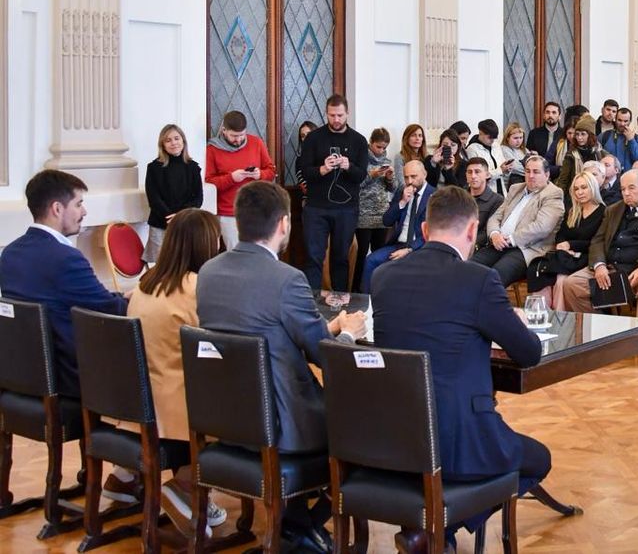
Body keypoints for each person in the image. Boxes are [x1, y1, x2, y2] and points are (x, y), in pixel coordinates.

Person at [369, 186, 550, 547]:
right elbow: (528, 353)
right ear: (472, 231)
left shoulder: (383, 277)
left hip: (395, 437)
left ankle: (432, 529)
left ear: (423, 230)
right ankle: (445, 524)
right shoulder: (479, 280)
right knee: (538, 459)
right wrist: (513, 321)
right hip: (459, 439)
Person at [196, 180, 365, 550]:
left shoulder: (208, 273)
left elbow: (264, 328)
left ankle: (296, 524)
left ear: (239, 222)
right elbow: (324, 355)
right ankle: (300, 526)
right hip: (284, 423)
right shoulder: (288, 280)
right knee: (367, 429)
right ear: (285, 224)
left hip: (226, 418)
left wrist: (326, 327)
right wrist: (348, 332)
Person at [125, 208, 228, 532]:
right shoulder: (197, 288)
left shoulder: (144, 285)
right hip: (181, 408)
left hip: (140, 403)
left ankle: (175, 487)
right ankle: (184, 486)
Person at [0, 170, 129, 398]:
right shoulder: (65, 258)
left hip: (22, 376)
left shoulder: (10, 253)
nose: (84, 211)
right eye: (79, 204)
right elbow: (111, 310)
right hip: (69, 380)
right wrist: (132, 297)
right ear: (57, 209)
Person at [562, 170, 638, 318]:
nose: (626, 193)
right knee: (571, 284)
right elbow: (598, 240)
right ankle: (599, 328)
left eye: (631, 188)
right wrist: (599, 265)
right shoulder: (613, 210)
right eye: (623, 189)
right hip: (611, 267)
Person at [298, 94, 370, 292]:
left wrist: (349, 166)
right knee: (314, 257)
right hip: (316, 208)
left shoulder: (359, 141)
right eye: (332, 115)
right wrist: (322, 169)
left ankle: (340, 303)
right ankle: (310, 303)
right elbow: (304, 170)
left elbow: (361, 175)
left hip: (346, 209)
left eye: (340, 115)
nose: (336, 120)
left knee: (340, 258)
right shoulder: (314, 138)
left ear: (347, 113)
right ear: (326, 114)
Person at [471, 156, 565, 286]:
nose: (531, 175)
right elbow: (496, 217)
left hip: (527, 248)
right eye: (527, 171)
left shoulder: (553, 193)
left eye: (536, 172)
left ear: (547, 174)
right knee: (470, 266)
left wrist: (510, 239)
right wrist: (494, 234)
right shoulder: (516, 188)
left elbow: (542, 228)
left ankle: (485, 305)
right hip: (499, 243)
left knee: (496, 274)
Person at [525, 173, 606, 310]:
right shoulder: (573, 211)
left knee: (562, 279)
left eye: (584, 188)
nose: (579, 192)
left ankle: (560, 320)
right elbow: (561, 234)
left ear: (593, 188)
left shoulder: (604, 212)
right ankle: (539, 316)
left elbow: (598, 242)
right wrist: (562, 245)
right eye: (576, 189)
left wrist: (571, 245)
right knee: (541, 273)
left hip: (586, 257)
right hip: (565, 256)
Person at [206, 110, 276, 248]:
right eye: (234, 136)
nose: (238, 140)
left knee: (259, 253)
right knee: (238, 255)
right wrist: (231, 178)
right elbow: (209, 182)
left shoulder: (256, 143)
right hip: (228, 213)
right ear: (224, 130)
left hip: (256, 210)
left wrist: (260, 175)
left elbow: (271, 171)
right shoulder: (212, 149)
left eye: (242, 135)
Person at [359, 160, 431, 294]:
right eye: (406, 177)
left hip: (420, 248)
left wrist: (410, 249)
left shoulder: (434, 196)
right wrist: (402, 202)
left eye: (414, 176)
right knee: (370, 261)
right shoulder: (402, 192)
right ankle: (366, 305)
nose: (409, 181)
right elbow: (386, 221)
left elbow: (432, 233)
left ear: (424, 174)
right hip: (398, 245)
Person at [144, 124, 203, 263]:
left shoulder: (193, 167)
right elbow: (154, 198)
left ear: (183, 141)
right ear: (162, 145)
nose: (173, 143)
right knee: (159, 265)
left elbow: (198, 198)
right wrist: (171, 217)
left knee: (184, 263)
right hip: (160, 223)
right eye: (168, 140)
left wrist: (180, 216)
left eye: (176, 138)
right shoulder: (153, 168)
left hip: (185, 224)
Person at [352, 128, 396, 293]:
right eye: (378, 147)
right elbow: (355, 185)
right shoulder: (361, 161)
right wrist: (372, 175)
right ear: (370, 143)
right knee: (360, 256)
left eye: (384, 147)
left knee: (379, 256)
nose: (381, 151)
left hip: (382, 216)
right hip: (364, 215)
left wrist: (390, 178)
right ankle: (356, 290)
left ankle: (377, 289)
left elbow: (393, 189)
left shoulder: (387, 161)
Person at [464, 158, 503, 249]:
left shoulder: (497, 200)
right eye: (470, 172)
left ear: (487, 175)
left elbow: (489, 230)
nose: (473, 176)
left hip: (477, 247)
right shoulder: (459, 196)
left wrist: (469, 243)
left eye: (477, 172)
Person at [466, 119, 511, 196]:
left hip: (500, 188)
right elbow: (479, 175)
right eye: (490, 137)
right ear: (481, 133)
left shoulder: (496, 146)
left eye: (494, 138)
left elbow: (501, 164)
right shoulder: (472, 149)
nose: (492, 140)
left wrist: (507, 169)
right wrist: (500, 170)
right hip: (484, 191)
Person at [527, 101, 564, 178]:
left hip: (559, 175)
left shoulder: (564, 134)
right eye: (547, 112)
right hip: (538, 174)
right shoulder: (534, 133)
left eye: (554, 113)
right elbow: (528, 156)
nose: (550, 115)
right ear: (544, 115)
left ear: (559, 116)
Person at [500, 122, 529, 187]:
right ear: (507, 137)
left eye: (521, 137)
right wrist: (531, 171)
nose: (519, 141)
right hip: (510, 184)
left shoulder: (524, 150)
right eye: (515, 138)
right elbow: (515, 167)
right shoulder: (504, 149)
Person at [295, 121, 318, 195]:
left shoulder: (326, 155)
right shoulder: (300, 161)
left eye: (309, 134)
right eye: (303, 136)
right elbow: (304, 185)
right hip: (311, 200)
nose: (306, 138)